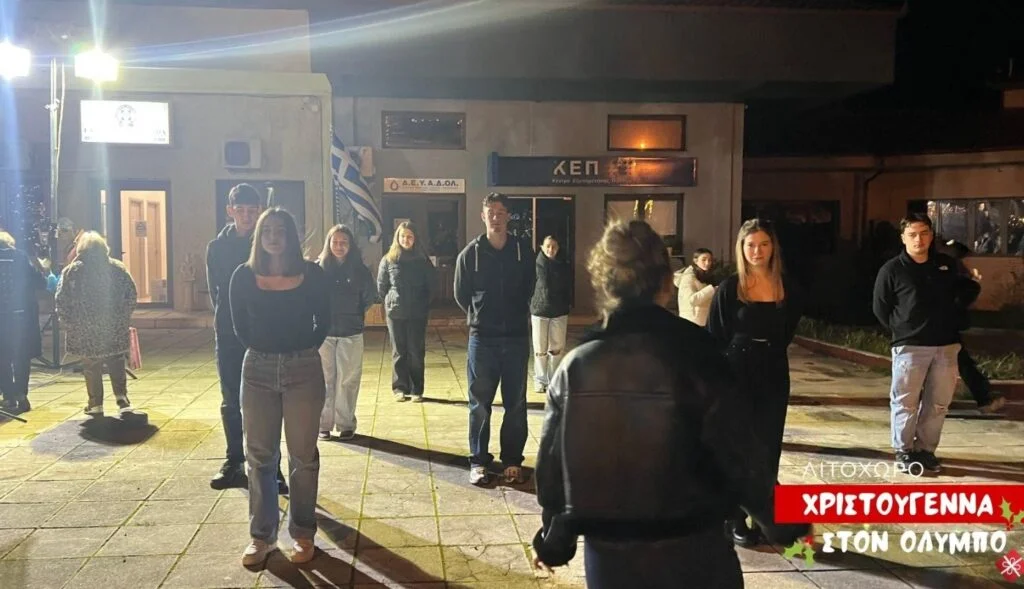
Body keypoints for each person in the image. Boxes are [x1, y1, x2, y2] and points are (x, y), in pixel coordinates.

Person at [532, 220, 809, 588]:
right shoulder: (699, 354)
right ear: (665, 281)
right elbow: (740, 456)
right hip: (695, 553)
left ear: (602, 282)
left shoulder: (575, 367)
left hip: (612, 560)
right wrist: (782, 520)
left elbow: (553, 477)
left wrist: (554, 542)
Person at [229, 207, 331, 566]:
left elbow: (324, 320)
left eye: (280, 230)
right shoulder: (243, 276)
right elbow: (238, 325)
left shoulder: (312, 275)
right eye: (267, 230)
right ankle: (262, 537)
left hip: (303, 369)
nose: (273, 236)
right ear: (259, 236)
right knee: (260, 456)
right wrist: (265, 348)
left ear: (291, 235)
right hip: (258, 370)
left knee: (303, 456)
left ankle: (303, 532)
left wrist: (303, 348)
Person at [707, 218, 803, 547]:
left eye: (763, 244)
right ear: (741, 248)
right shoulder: (729, 288)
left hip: (773, 372)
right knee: (737, 447)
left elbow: (787, 330)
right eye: (750, 245)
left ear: (773, 247)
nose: (757, 251)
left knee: (768, 445)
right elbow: (715, 336)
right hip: (736, 373)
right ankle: (734, 518)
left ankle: (766, 517)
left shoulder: (787, 288)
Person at [873, 214, 980, 474]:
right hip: (910, 347)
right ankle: (904, 450)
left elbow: (963, 292)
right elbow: (880, 308)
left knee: (938, 403)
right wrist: (904, 329)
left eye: (923, 233)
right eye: (912, 234)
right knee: (905, 402)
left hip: (946, 346)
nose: (918, 240)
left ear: (931, 236)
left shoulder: (946, 265)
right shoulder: (892, 270)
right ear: (903, 238)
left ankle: (926, 450)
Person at [206, 184, 286, 492]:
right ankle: (234, 461)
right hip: (228, 333)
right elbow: (216, 292)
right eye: (240, 210)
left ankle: (272, 466)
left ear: (260, 211)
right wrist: (228, 320)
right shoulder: (216, 247)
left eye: (252, 211)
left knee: (268, 400)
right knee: (231, 400)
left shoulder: (268, 244)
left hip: (264, 333)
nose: (247, 216)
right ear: (230, 211)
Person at [454, 192, 536, 486]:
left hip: (515, 338)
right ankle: (478, 460)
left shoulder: (522, 251)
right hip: (483, 340)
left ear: (508, 216)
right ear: (483, 216)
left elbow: (530, 286)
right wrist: (480, 315)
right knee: (479, 404)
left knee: (516, 403)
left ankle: (512, 461)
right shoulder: (470, 254)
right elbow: (461, 294)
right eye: (491, 212)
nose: (496, 218)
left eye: (501, 212)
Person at [54, 232, 139, 417]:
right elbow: (131, 294)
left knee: (91, 365)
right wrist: (123, 316)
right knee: (116, 361)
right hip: (113, 325)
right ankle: (122, 399)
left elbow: (61, 299)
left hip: (84, 327)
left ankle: (95, 404)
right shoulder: (117, 268)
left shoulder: (72, 271)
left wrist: (69, 322)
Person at [318, 224, 375, 440]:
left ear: (350, 246)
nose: (339, 246)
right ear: (328, 244)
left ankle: (345, 424)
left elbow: (368, 298)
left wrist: (355, 315)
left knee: (347, 380)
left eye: (344, 242)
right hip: (324, 334)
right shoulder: (319, 269)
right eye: (335, 242)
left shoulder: (360, 271)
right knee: (325, 379)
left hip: (351, 332)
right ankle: (323, 424)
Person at [377, 222, 435, 402]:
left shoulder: (423, 261)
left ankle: (417, 388)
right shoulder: (388, 260)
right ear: (397, 238)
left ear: (415, 239)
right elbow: (382, 286)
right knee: (399, 351)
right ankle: (400, 387)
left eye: (409, 236)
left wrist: (423, 304)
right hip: (396, 312)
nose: (406, 240)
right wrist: (390, 301)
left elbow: (431, 286)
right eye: (403, 236)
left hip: (417, 312)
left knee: (416, 351)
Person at [0, 231, 46, 415]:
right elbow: (40, 282)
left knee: (2, 357)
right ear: (10, 244)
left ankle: (8, 395)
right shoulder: (20, 257)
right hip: (21, 317)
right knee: (21, 357)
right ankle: (21, 394)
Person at [530, 235, 572, 395]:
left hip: (559, 311)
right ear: (542, 247)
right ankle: (540, 380)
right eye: (547, 246)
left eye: (554, 246)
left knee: (557, 349)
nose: (551, 249)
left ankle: (554, 380)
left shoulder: (564, 265)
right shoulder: (535, 265)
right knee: (540, 349)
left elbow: (569, 286)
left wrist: (566, 303)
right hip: (539, 310)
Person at [673, 247, 717, 326]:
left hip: (702, 321)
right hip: (692, 322)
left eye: (710, 260)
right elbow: (692, 300)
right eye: (704, 260)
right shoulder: (688, 277)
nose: (707, 263)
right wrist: (712, 290)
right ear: (695, 261)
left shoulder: (704, 276)